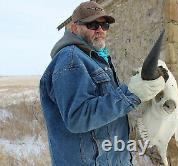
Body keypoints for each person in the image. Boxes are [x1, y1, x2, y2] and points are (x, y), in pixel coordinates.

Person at [39, 1, 165, 165]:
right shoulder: (70, 59)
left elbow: (106, 111)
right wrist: (132, 94)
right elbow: (78, 118)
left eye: (104, 25)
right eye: (92, 24)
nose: (100, 30)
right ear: (74, 28)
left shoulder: (96, 58)